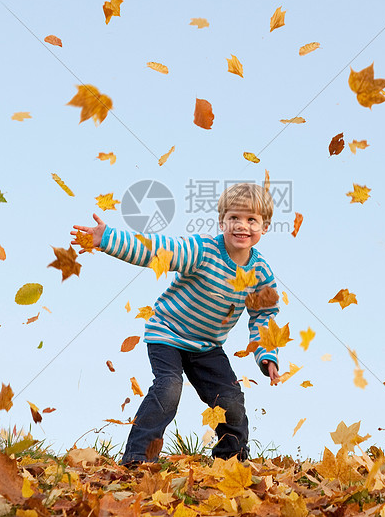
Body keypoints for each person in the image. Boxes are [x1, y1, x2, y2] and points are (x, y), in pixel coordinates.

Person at [71, 182, 281, 464]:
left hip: (207, 346)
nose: (241, 226)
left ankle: (231, 460)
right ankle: (138, 457)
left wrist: (267, 355)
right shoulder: (203, 250)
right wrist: (107, 239)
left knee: (230, 399)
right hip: (168, 333)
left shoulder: (260, 273)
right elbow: (159, 250)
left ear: (264, 227)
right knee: (169, 387)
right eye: (234, 218)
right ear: (222, 221)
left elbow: (264, 316)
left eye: (251, 220)